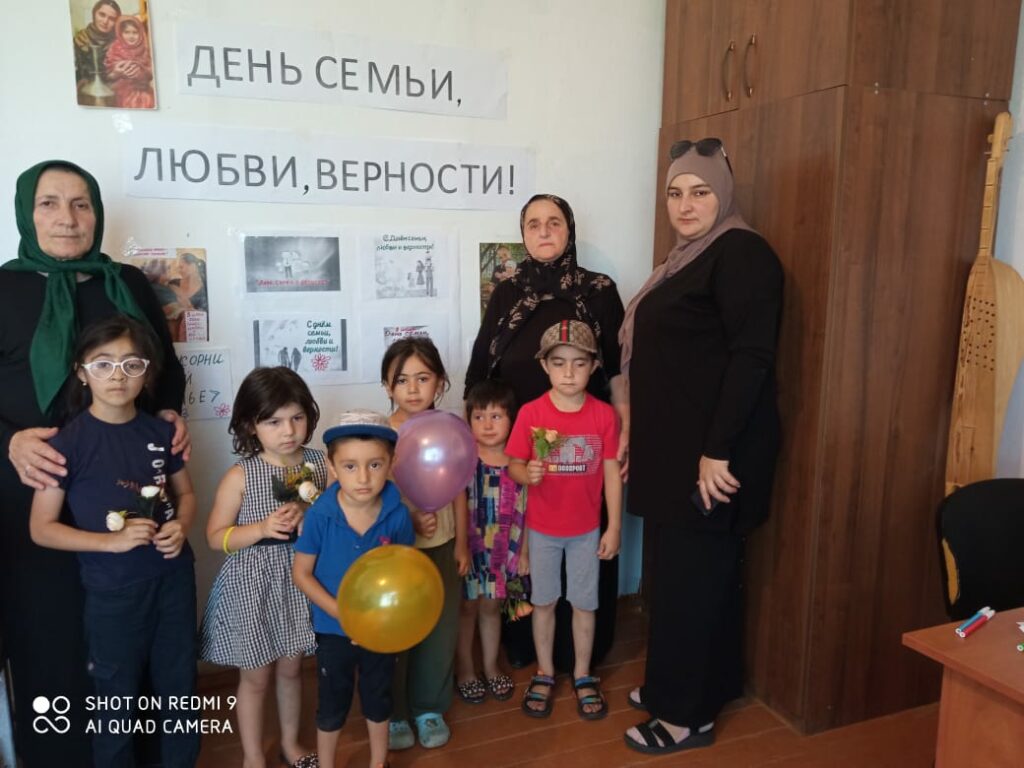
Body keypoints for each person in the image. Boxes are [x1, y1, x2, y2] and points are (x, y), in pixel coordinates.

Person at [0, 160, 187, 767]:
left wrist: (172, 412)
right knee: (49, 634)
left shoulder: (126, 283)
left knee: (137, 638)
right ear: (26, 213)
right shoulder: (3, 288)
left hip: (126, 487)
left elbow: (166, 370)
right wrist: (9, 444)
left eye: (81, 204)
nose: (67, 218)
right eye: (49, 203)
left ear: (97, 213)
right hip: (34, 492)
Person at [620, 138, 783, 755]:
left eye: (700, 191)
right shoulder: (684, 260)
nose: (685, 205)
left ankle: (687, 717)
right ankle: (681, 683)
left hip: (711, 454)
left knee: (695, 580)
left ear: (725, 194)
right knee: (679, 575)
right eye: (675, 193)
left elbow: (751, 357)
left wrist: (718, 451)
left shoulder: (743, 254)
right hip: (675, 450)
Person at [465, 193, 627, 671]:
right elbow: (480, 367)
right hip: (520, 456)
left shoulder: (598, 291)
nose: (543, 231)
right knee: (525, 550)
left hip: (584, 451)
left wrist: (626, 424)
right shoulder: (507, 292)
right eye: (533, 224)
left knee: (585, 549)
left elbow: (619, 368)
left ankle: (583, 657)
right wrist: (476, 439)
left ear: (569, 230)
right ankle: (528, 651)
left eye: (553, 222)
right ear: (522, 234)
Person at [28, 315, 199, 767]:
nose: (118, 376)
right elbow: (41, 528)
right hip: (114, 594)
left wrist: (182, 525)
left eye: (131, 364)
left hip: (174, 581)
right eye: (103, 364)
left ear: (147, 373)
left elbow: (186, 495)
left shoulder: (162, 432)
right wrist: (112, 543)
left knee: (180, 688)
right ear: (82, 373)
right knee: (115, 700)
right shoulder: (67, 444)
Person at [200, 367, 328, 768]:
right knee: (255, 677)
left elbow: (340, 511)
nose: (288, 430)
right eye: (273, 421)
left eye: (296, 418)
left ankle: (290, 744)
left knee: (292, 668)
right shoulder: (241, 474)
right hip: (253, 586)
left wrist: (310, 511)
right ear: (250, 425)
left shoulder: (321, 463)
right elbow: (215, 536)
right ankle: (253, 756)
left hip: (300, 579)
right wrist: (260, 528)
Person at [506, 320, 622, 720]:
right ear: (545, 366)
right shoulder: (531, 413)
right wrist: (527, 473)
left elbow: (612, 473)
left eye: (579, 363)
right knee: (544, 602)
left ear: (594, 366)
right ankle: (545, 671)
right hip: (541, 531)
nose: (569, 373)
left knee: (585, 604)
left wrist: (614, 527)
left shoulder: (604, 416)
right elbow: (514, 465)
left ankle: (584, 674)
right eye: (559, 363)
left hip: (586, 532)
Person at [292, 409, 415, 768]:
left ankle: (379, 761)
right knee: (333, 701)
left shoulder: (397, 514)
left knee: (378, 695)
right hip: (334, 629)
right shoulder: (319, 516)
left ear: (391, 463)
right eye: (350, 466)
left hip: (380, 628)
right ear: (332, 467)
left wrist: (383, 618)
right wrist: (342, 613)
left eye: (375, 465)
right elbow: (302, 574)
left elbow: (404, 572)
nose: (363, 477)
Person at [381, 338, 469, 750]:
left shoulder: (451, 428)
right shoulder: (380, 435)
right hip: (395, 550)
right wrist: (408, 520)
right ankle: (395, 712)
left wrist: (462, 543)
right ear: (387, 385)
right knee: (398, 630)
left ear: (440, 382)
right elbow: (369, 498)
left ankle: (429, 707)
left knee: (440, 627)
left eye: (423, 378)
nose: (413, 388)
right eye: (402, 380)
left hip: (443, 543)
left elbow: (460, 490)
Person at [454, 379, 526, 705]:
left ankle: (491, 665)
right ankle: (466, 670)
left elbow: (530, 509)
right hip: (471, 550)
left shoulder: (518, 463)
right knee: (467, 607)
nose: (487, 424)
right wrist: (460, 546)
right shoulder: (464, 460)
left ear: (512, 419)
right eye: (479, 416)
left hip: (502, 550)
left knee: (491, 607)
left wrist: (524, 552)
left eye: (496, 416)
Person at [102, 15, 154, 110]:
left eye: (135, 32)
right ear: (120, 33)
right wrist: (117, 73)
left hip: (142, 90)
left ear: (141, 33)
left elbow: (150, 73)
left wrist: (141, 71)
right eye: (127, 32)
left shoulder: (145, 49)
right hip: (119, 92)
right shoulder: (114, 49)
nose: (131, 36)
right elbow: (107, 74)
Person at [73, 0, 121, 89]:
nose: (105, 21)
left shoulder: (119, 44)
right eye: (102, 15)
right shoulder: (80, 39)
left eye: (112, 19)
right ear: (94, 14)